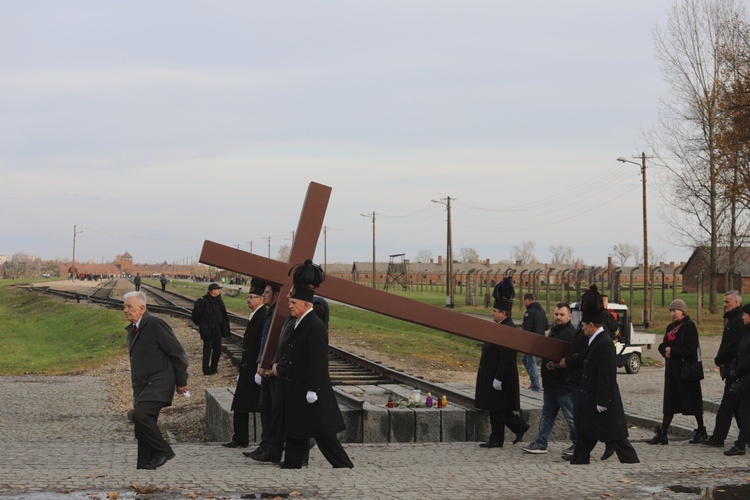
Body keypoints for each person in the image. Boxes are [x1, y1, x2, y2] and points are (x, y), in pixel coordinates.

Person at [273, 259, 353, 469]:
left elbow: (318, 361)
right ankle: (292, 462)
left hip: (311, 388)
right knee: (296, 426)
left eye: (292, 303)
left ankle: (343, 464)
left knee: (323, 432)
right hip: (297, 384)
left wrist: (312, 389)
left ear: (306, 304)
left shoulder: (315, 326)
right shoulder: (300, 321)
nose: (289, 305)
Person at [569, 285, 639, 465]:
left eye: (584, 326)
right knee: (586, 436)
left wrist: (602, 401)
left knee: (617, 439)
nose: (582, 329)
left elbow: (607, 375)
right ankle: (578, 462)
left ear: (592, 325)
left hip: (602, 402)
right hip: (592, 400)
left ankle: (632, 464)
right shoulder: (595, 340)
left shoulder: (605, 343)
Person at [123, 291, 189, 470]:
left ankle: (163, 451)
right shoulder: (133, 329)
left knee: (140, 415)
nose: (125, 310)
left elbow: (178, 354)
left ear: (142, 308)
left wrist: (182, 382)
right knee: (143, 425)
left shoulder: (156, 324)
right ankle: (145, 465)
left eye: (130, 306)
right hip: (143, 386)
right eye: (125, 306)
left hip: (160, 382)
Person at [475, 278, 530, 448]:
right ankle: (517, 428)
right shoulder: (500, 326)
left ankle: (498, 438)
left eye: (495, 311)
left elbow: (507, 357)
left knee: (497, 409)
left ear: (503, 313)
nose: (492, 313)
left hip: (501, 377)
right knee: (497, 409)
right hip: (494, 374)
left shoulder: (508, 329)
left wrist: (498, 378)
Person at [645, 299, 705, 445]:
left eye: (675, 310)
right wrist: (665, 351)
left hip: (686, 372)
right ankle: (663, 433)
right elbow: (663, 345)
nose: (672, 313)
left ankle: (701, 430)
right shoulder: (670, 326)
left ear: (683, 311)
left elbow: (690, 348)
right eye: (671, 311)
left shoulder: (689, 326)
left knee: (693, 402)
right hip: (672, 372)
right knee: (670, 403)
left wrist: (673, 351)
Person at [523, 302, 576, 455]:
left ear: (569, 316)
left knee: (570, 416)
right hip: (551, 383)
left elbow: (571, 360)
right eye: (556, 314)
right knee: (547, 415)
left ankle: (578, 443)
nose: (558, 317)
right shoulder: (554, 330)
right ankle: (541, 442)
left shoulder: (570, 335)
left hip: (563, 384)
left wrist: (557, 365)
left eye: (562, 315)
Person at [223, 279, 267, 449]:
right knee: (241, 403)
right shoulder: (256, 314)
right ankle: (240, 438)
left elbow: (261, 344)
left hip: (256, 368)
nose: (248, 299)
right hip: (248, 368)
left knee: (257, 404)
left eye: (251, 297)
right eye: (248, 296)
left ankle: (245, 438)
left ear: (261, 299)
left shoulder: (263, 316)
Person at [701, 291, 744, 447]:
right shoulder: (733, 320)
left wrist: (719, 359)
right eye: (724, 301)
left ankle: (718, 437)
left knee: (728, 404)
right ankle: (746, 436)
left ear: (737, 303)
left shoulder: (738, 321)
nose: (725, 304)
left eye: (728, 302)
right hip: (732, 368)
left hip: (735, 369)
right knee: (737, 405)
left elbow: (733, 346)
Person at [245, 282, 281, 458]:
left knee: (272, 409)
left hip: (272, 371)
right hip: (264, 369)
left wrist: (268, 363)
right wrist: (260, 362)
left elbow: (275, 343)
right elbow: (264, 342)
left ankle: (273, 447)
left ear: (275, 294)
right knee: (264, 406)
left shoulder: (277, 314)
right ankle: (265, 444)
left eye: (267, 292)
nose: (263, 295)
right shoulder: (270, 313)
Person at [723, 303, 750, 456]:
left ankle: (740, 444)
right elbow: (739, 353)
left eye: (745, 315)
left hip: (747, 377)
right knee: (742, 409)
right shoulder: (746, 332)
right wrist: (733, 368)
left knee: (744, 410)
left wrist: (738, 370)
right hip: (742, 376)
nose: (743, 317)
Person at [191, 283, 231, 375]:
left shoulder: (219, 300)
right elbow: (195, 316)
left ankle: (214, 367)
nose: (219, 291)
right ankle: (206, 369)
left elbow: (223, 314)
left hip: (218, 329)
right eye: (218, 289)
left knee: (217, 350)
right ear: (212, 290)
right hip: (208, 329)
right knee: (207, 350)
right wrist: (203, 324)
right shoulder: (202, 301)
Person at [522, 293, 548, 392]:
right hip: (540, 340)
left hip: (531, 341)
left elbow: (526, 329)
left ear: (528, 300)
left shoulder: (529, 312)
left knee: (531, 362)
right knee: (525, 360)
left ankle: (536, 386)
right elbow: (546, 326)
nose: (524, 303)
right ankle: (534, 382)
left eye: (524, 301)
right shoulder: (542, 311)